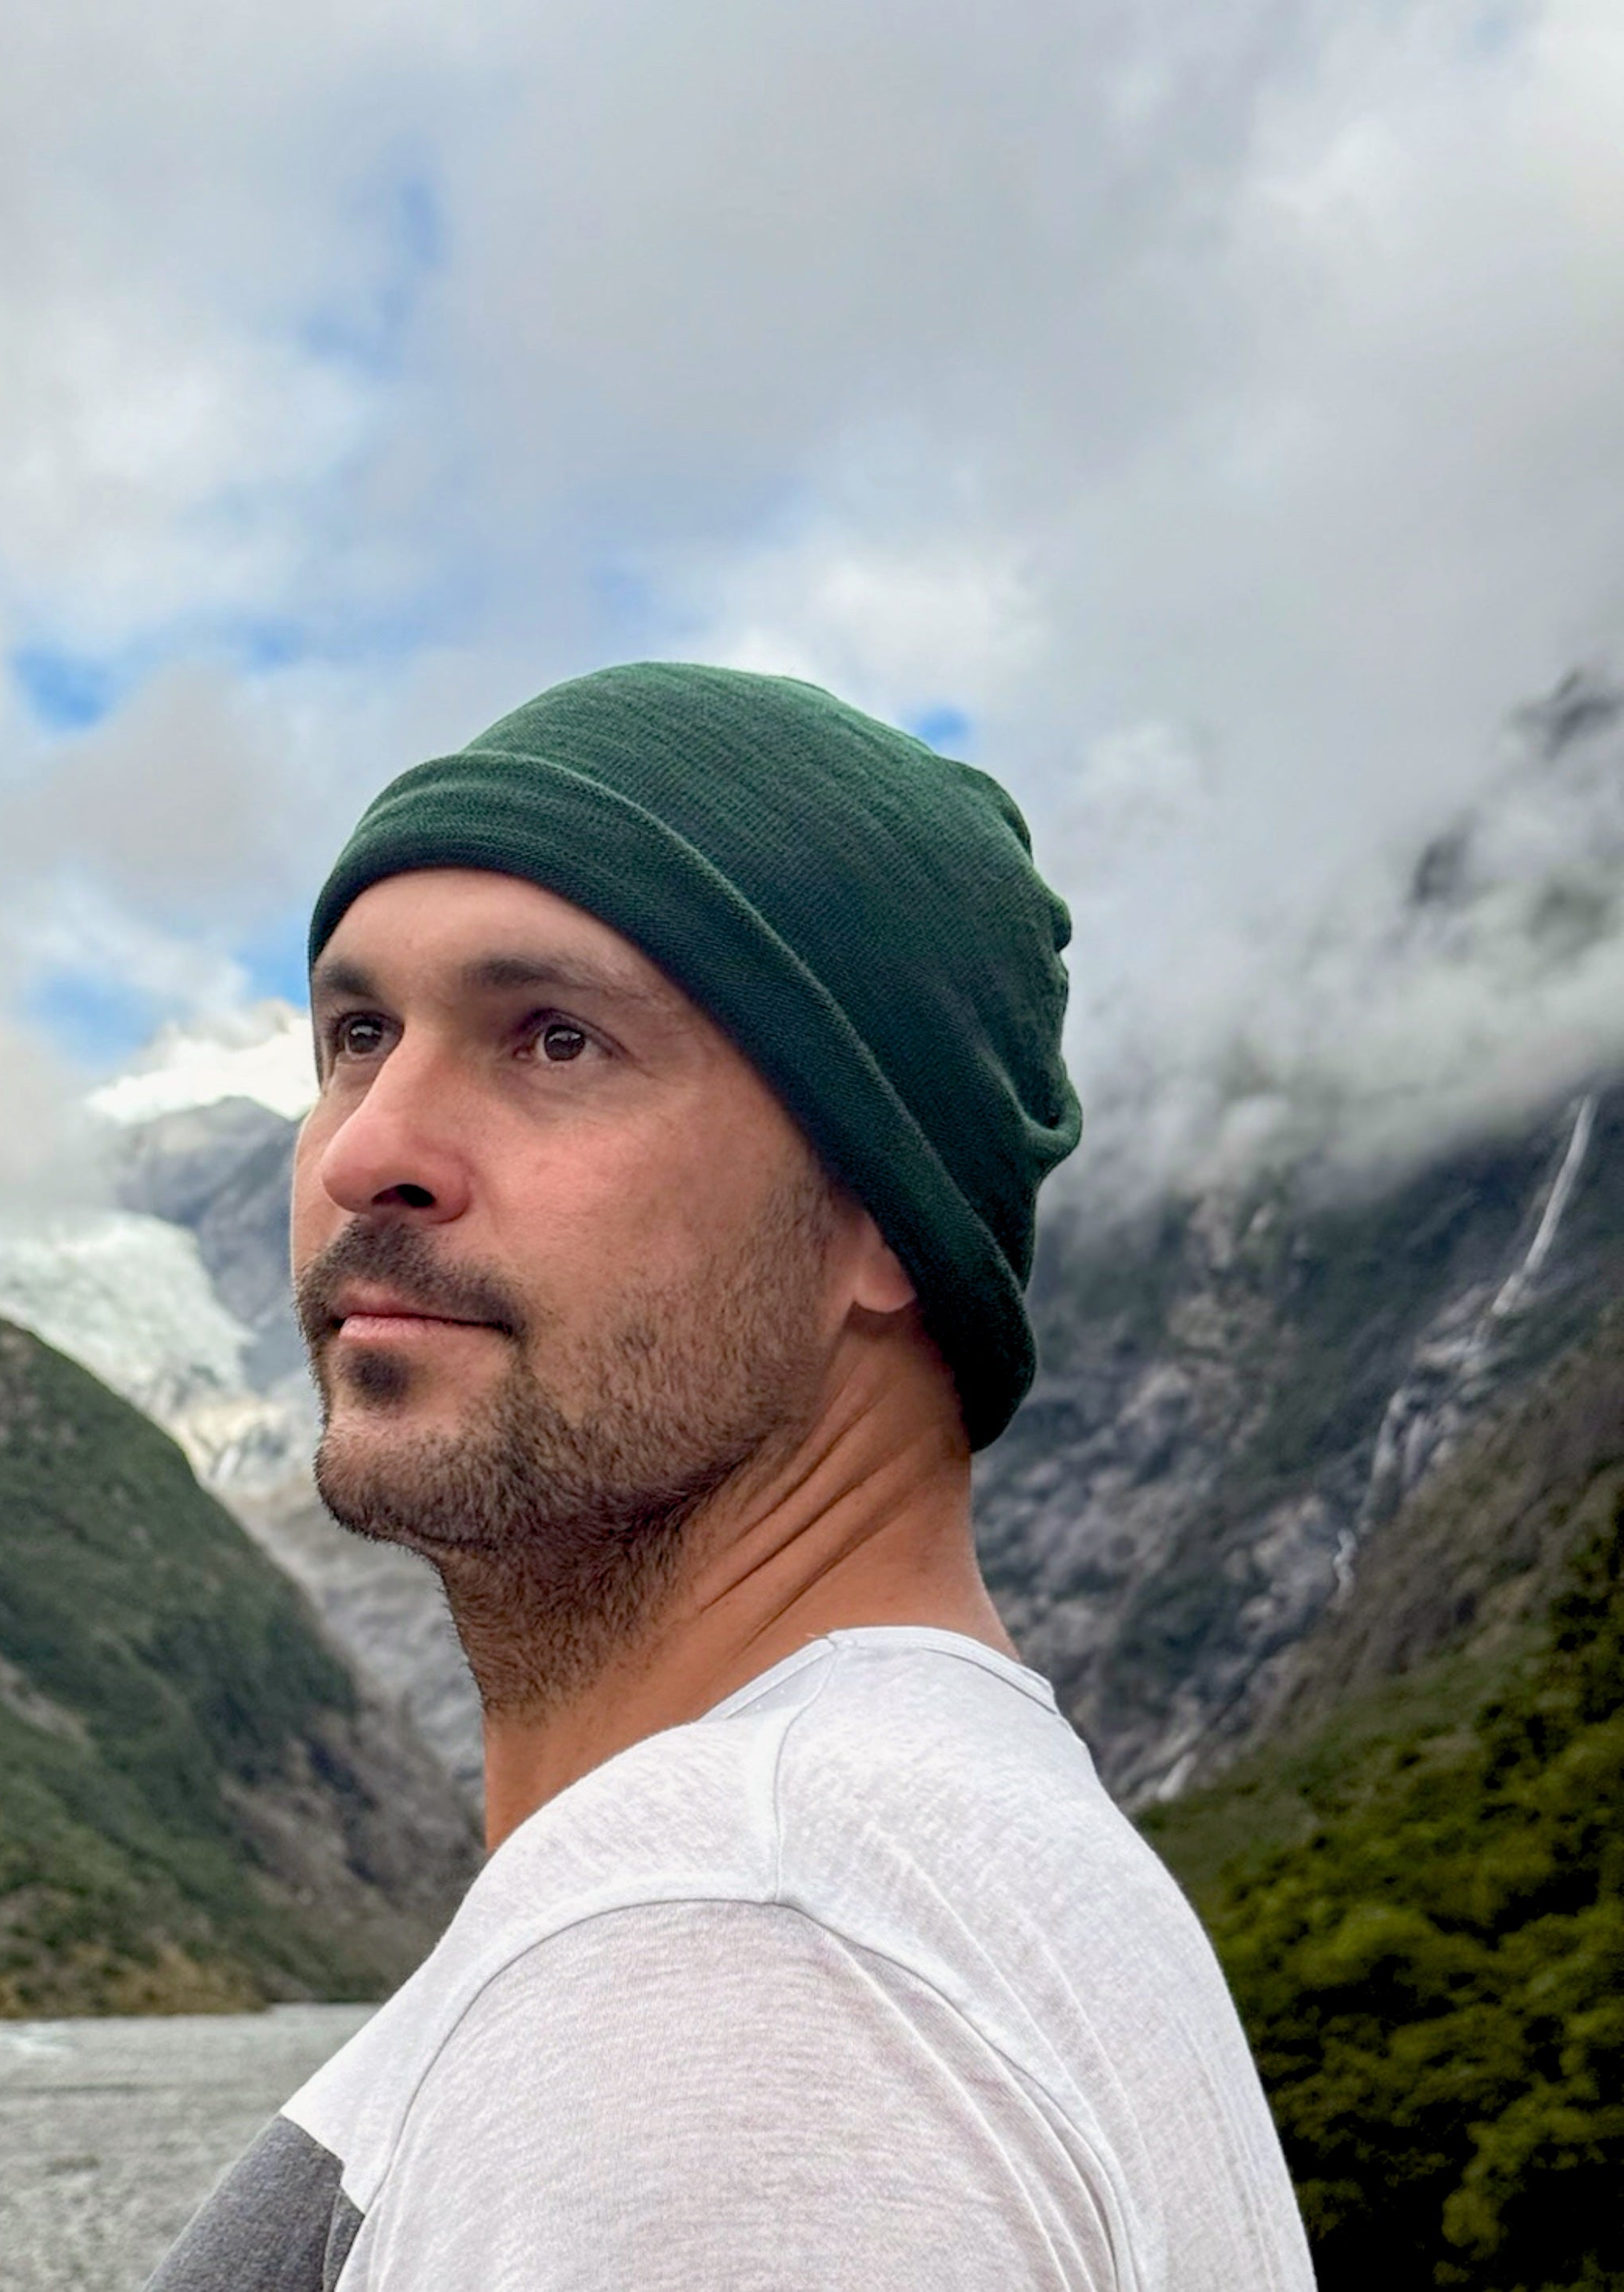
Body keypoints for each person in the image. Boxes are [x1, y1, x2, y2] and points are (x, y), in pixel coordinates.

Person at [148, 662, 1311, 2290]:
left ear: (886, 1218)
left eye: (556, 1039)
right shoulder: (901, 1866)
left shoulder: (743, 1954)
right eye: (357, 1034)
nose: (365, 1147)